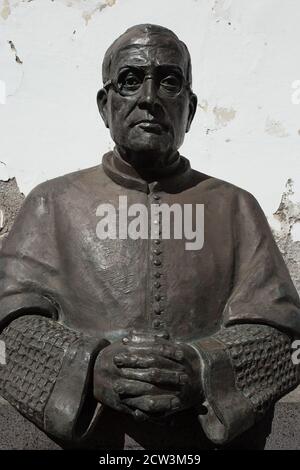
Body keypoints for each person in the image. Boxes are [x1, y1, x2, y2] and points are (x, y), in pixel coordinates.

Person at [0, 24, 299, 449]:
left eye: (169, 82)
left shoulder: (236, 207)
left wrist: (202, 369)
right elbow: (8, 322)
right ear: (105, 106)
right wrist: (87, 367)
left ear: (190, 110)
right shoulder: (52, 203)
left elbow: (282, 332)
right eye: (130, 80)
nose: (149, 98)